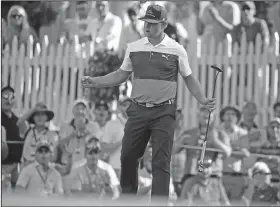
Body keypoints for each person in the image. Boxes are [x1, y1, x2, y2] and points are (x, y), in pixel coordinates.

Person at [81, 4, 216, 201]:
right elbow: (120, 76)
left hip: (164, 112)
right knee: (128, 157)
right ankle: (127, 202)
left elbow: (189, 79)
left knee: (161, 162)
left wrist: (203, 99)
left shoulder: (177, 49)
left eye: (152, 24)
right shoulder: (134, 48)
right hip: (138, 111)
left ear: (163, 24)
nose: (147, 27)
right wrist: (95, 81)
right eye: (146, 23)